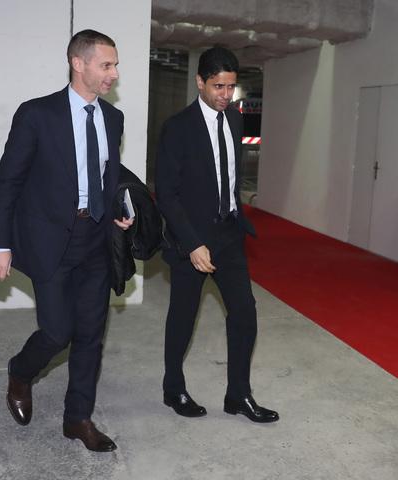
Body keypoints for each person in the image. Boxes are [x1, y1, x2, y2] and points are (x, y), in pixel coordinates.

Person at [0, 29, 133, 452]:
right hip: (50, 240)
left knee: (90, 334)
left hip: (96, 238)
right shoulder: (37, 114)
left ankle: (77, 419)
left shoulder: (113, 118)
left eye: (115, 65)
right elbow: (7, 181)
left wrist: (120, 208)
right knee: (56, 332)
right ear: (78, 63)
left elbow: (107, 175)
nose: (113, 74)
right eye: (106, 65)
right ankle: (20, 371)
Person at [155, 46, 279, 423]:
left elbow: (229, 175)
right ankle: (173, 388)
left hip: (228, 235)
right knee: (183, 317)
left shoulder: (236, 119)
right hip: (191, 239)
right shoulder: (178, 127)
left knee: (245, 314)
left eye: (230, 87)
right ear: (200, 82)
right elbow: (166, 193)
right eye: (217, 86)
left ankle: (238, 395)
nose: (225, 95)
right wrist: (192, 243)